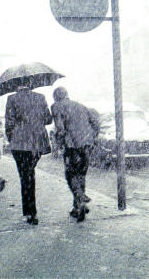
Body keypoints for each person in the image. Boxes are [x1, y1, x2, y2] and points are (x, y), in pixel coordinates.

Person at [51, 87, 100, 222]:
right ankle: (78, 207)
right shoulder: (81, 106)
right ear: (67, 94)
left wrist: (59, 142)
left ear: (55, 97)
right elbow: (96, 122)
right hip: (85, 145)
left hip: (71, 145)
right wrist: (92, 138)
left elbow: (60, 128)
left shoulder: (56, 106)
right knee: (80, 175)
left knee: (70, 174)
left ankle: (80, 198)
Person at [5, 86, 52, 225]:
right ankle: (31, 212)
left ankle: (31, 212)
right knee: (29, 174)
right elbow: (48, 119)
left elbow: (9, 122)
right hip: (37, 143)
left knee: (25, 176)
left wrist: (11, 138)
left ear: (16, 85)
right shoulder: (40, 97)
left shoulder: (12, 98)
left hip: (20, 143)